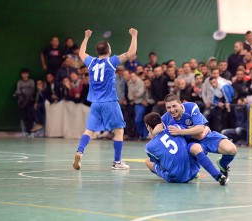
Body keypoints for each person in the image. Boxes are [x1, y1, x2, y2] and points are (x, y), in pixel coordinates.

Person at [72, 28, 138, 170]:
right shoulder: (111, 61)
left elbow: (81, 53)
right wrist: (134, 36)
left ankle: (79, 151)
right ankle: (117, 162)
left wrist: (86, 37)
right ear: (108, 49)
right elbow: (131, 53)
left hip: (95, 103)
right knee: (119, 131)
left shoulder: (91, 62)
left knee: (89, 131)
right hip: (109, 102)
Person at [159, 94, 236, 185]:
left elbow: (200, 130)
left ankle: (222, 165)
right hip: (190, 144)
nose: (172, 110)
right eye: (168, 107)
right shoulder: (165, 120)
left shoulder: (191, 107)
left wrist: (180, 131)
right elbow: (158, 136)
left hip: (207, 137)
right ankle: (218, 176)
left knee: (232, 149)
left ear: (180, 103)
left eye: (174, 106)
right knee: (195, 148)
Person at [144, 112, 200, 183]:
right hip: (193, 171)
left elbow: (157, 162)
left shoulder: (149, 147)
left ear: (148, 126)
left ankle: (169, 174)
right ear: (161, 122)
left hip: (175, 178)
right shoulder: (175, 127)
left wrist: (153, 136)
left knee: (148, 161)